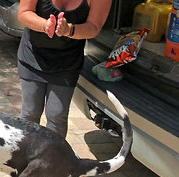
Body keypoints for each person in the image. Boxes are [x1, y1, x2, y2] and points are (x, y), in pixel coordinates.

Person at [17, 0, 112, 138]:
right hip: (33, 56)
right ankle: (26, 156)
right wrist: (45, 25)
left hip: (68, 61)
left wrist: (69, 30)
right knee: (30, 112)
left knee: (57, 115)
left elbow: (94, 27)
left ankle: (54, 158)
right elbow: (24, 12)